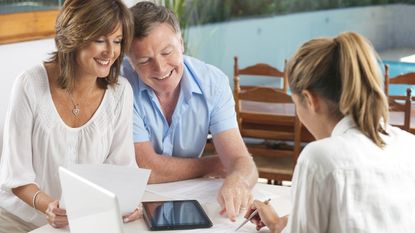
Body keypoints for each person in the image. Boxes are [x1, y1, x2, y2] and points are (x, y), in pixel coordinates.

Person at [245, 32, 415, 233]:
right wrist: (279, 224)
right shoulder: (409, 144)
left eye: (296, 104)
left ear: (310, 100)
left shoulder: (320, 158)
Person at [0, 0, 138, 232]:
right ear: (74, 37)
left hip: (81, 223)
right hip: (19, 221)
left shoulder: (120, 92)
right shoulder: (29, 85)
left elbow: (122, 169)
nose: (111, 52)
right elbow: (17, 178)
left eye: (117, 41)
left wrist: (130, 202)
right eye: (100, 40)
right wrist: (50, 208)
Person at [121, 1, 258, 221]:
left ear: (181, 43)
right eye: (145, 60)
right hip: (136, 205)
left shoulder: (213, 83)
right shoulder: (121, 87)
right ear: (130, 61)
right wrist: (213, 164)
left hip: (192, 203)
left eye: (167, 52)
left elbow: (241, 160)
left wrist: (237, 181)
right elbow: (147, 170)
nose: (160, 68)